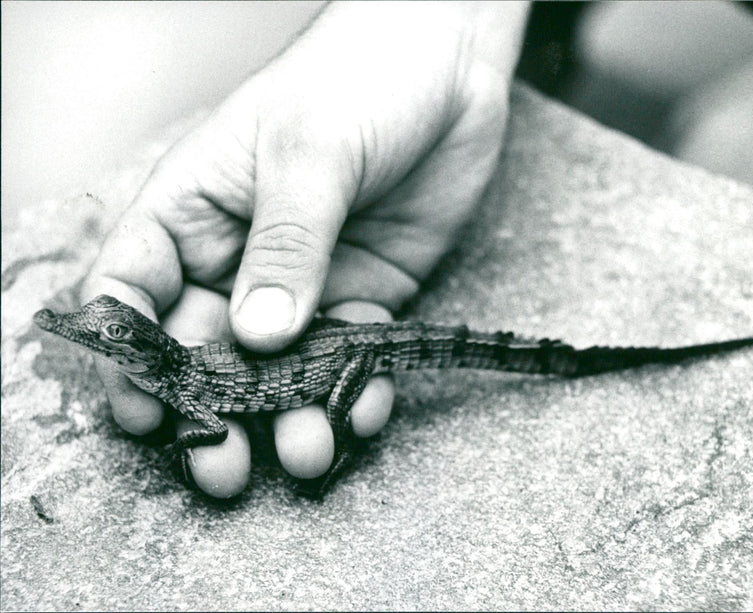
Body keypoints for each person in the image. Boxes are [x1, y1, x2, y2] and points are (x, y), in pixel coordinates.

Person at [81, 1, 532, 497]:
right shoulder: (183, 371)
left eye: (114, 331)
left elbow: (214, 429)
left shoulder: (187, 377)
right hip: (333, 341)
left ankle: (338, 462)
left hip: (347, 353)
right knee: (301, 437)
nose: (86, 332)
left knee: (336, 416)